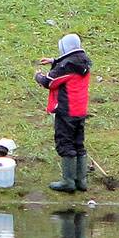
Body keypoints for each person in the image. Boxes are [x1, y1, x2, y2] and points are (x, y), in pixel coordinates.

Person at [35, 33, 92, 192]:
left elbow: (50, 82)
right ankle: (81, 181)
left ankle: (68, 182)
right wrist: (54, 61)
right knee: (78, 143)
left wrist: (38, 76)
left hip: (66, 111)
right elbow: (66, 66)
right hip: (80, 110)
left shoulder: (67, 66)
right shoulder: (83, 61)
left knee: (65, 143)